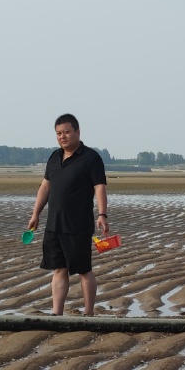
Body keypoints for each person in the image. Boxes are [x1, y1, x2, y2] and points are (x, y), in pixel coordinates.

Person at [26, 113, 109, 315]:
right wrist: (35, 213)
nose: (62, 136)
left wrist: (102, 214)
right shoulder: (55, 157)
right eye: (58, 133)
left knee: (83, 269)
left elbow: (99, 187)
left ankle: (89, 313)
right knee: (58, 269)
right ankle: (57, 313)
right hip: (54, 224)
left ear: (77, 132)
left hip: (78, 225)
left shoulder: (91, 157)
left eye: (66, 132)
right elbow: (45, 186)